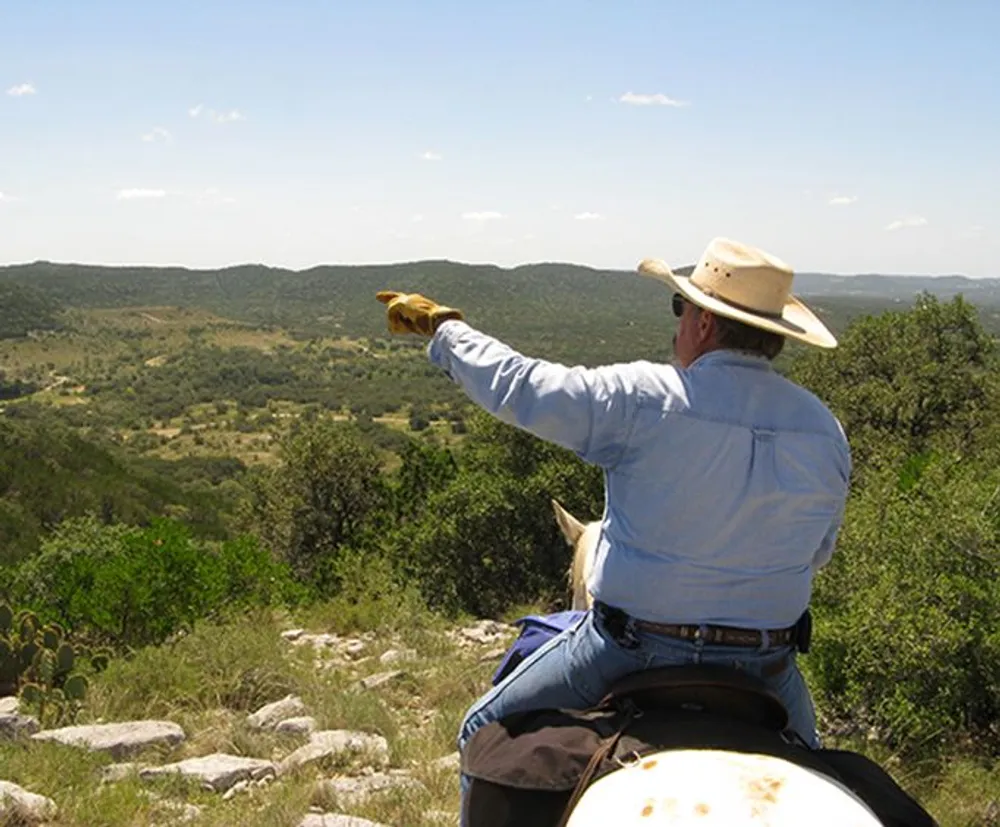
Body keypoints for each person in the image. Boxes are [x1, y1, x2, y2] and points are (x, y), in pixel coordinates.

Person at [376, 237, 852, 822]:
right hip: (767, 665)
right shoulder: (824, 430)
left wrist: (445, 329)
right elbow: (818, 552)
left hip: (631, 650)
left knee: (482, 725)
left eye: (681, 310)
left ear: (702, 321)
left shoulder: (645, 399)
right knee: (820, 775)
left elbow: (524, 386)